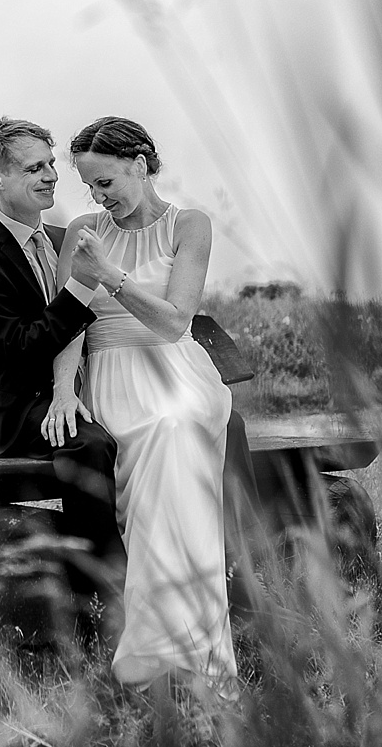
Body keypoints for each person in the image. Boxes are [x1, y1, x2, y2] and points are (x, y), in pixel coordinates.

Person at [48, 116, 238, 694]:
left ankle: (168, 647)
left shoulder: (191, 225)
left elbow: (175, 322)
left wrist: (113, 275)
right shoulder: (83, 229)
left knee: (174, 428)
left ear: (139, 163)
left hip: (175, 371)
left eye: (106, 181)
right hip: (110, 376)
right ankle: (172, 647)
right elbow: (69, 325)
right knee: (163, 441)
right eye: (90, 186)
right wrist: (62, 392)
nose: (98, 196)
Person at [0, 116, 127, 610]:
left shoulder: (64, 236)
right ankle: (106, 594)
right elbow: (20, 346)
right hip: (23, 406)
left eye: (51, 164)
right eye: (34, 168)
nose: (52, 174)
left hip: (84, 384)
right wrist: (79, 288)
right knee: (90, 443)